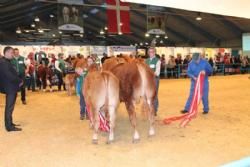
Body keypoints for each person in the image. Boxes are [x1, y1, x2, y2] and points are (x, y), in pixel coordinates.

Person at [0, 46, 23, 131]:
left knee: (10, 107)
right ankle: (9, 127)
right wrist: (19, 81)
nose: (13, 55)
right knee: (9, 107)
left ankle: (10, 123)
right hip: (9, 87)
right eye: (12, 53)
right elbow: (9, 76)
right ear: (7, 52)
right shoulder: (3, 62)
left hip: (11, 87)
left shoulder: (6, 61)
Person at [145, 47, 161, 116]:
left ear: (154, 52)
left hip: (154, 79)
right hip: (147, 80)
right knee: (146, 95)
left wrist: (149, 73)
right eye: (149, 52)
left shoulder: (158, 61)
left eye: (152, 52)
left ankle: (154, 110)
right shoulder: (146, 60)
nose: (150, 53)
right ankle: (148, 109)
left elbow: (157, 72)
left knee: (154, 95)